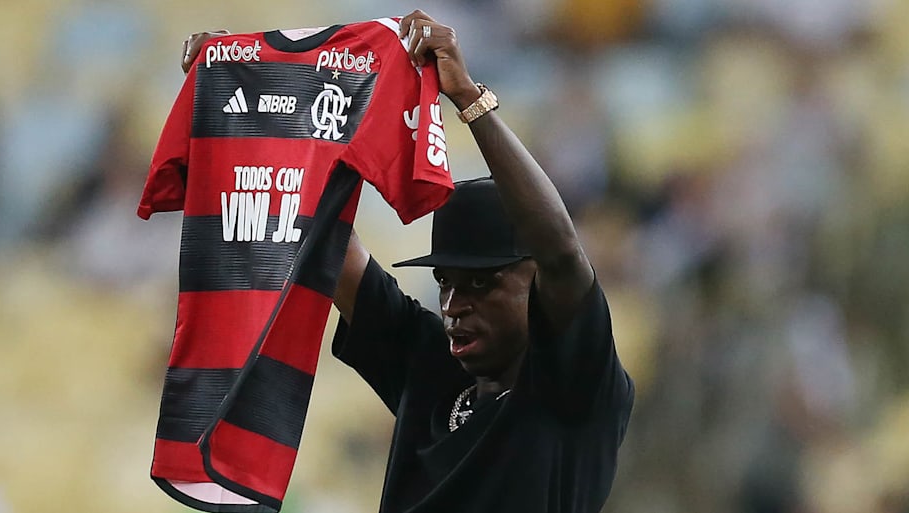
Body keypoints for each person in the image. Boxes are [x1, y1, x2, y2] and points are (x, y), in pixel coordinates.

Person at [181, 10, 634, 513]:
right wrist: (245, 94)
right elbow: (322, 239)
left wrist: (468, 98)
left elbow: (563, 252)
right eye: (446, 282)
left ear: (537, 281)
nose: (454, 304)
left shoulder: (573, 385)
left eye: (482, 284)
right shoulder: (430, 365)